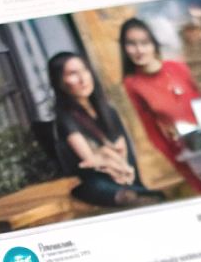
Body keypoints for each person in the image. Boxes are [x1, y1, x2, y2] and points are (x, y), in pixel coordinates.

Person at [47, 52, 164, 208]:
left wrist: (123, 169)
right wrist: (112, 163)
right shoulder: (66, 118)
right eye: (73, 74)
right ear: (59, 82)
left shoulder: (107, 111)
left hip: (125, 176)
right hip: (97, 181)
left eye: (84, 70)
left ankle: (135, 191)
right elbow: (90, 160)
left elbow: (124, 151)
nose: (83, 79)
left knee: (151, 196)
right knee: (99, 187)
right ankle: (132, 193)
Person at [118, 17, 201, 194]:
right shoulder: (132, 84)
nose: (139, 50)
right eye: (131, 44)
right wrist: (190, 174)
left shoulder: (179, 67)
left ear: (154, 43)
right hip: (192, 153)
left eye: (144, 42)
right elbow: (153, 132)